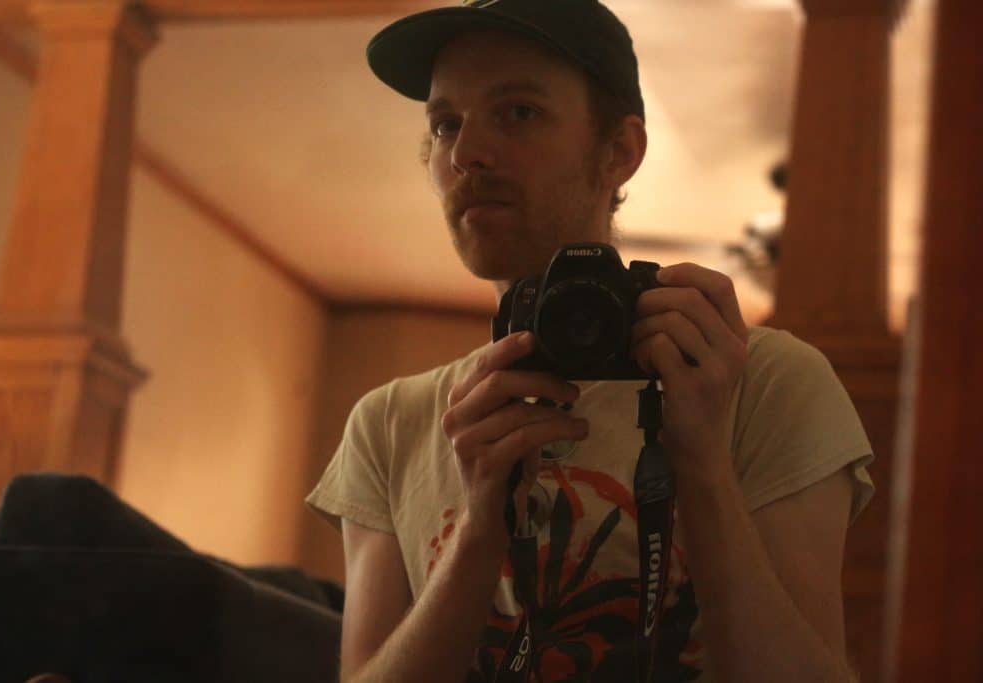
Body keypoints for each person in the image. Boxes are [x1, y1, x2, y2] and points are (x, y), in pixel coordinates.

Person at [306, 1, 874, 681]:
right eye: (445, 123)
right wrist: (481, 524)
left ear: (619, 152)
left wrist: (701, 463)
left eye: (518, 112)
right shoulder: (387, 424)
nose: (465, 153)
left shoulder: (760, 378)